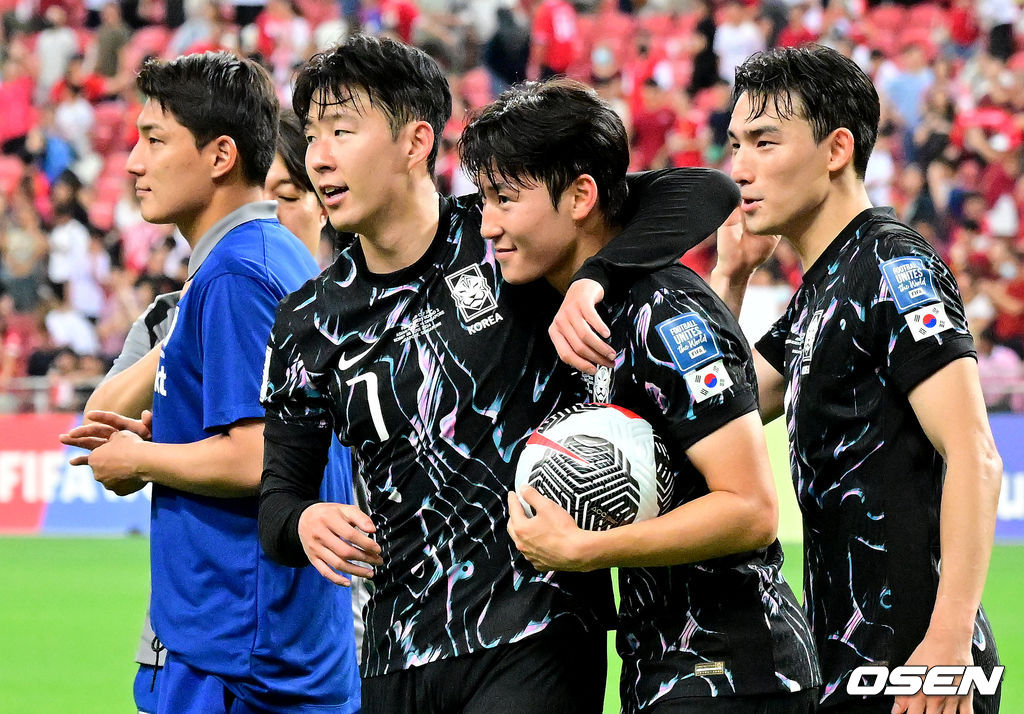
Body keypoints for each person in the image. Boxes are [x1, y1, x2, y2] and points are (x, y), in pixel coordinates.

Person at [258, 34, 737, 714]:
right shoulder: (306, 321)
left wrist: (591, 281)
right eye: (310, 136)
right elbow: (277, 498)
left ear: (414, 142)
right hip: (395, 650)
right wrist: (304, 521)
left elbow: (703, 190)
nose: (319, 157)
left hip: (537, 635)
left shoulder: (505, 239)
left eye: (342, 130)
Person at [459, 77, 819, 714]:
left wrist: (584, 550)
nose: (487, 223)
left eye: (504, 200)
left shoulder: (668, 311)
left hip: (737, 676)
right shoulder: (595, 305)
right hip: (661, 674)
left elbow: (752, 509)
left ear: (580, 197)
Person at [57, 53, 359, 713]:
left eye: (154, 139)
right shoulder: (276, 253)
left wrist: (140, 456)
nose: (133, 162)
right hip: (272, 639)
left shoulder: (233, 275)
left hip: (235, 654)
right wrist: (162, 438)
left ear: (221, 155)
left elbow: (255, 455)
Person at [706, 46, 1001, 713]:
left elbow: (976, 456)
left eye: (763, 142)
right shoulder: (818, 292)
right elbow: (720, 413)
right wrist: (733, 277)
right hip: (844, 661)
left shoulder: (894, 265)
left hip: (917, 671)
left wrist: (949, 644)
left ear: (837, 148)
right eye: (734, 144)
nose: (740, 168)